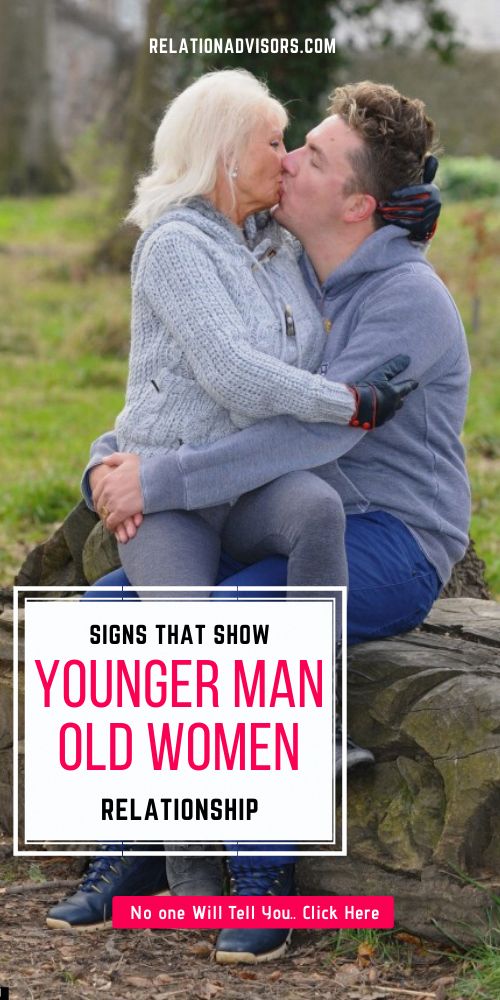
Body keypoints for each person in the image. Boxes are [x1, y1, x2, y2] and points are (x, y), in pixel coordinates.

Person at [50, 80, 468, 965]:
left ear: (356, 202)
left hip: (390, 536)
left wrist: (153, 480)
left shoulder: (405, 302)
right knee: (103, 621)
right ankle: (130, 852)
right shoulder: (274, 253)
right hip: (263, 512)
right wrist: (108, 458)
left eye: (309, 155)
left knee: (237, 631)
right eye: (288, 144)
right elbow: (190, 383)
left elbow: (294, 435)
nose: (288, 160)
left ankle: (261, 881)